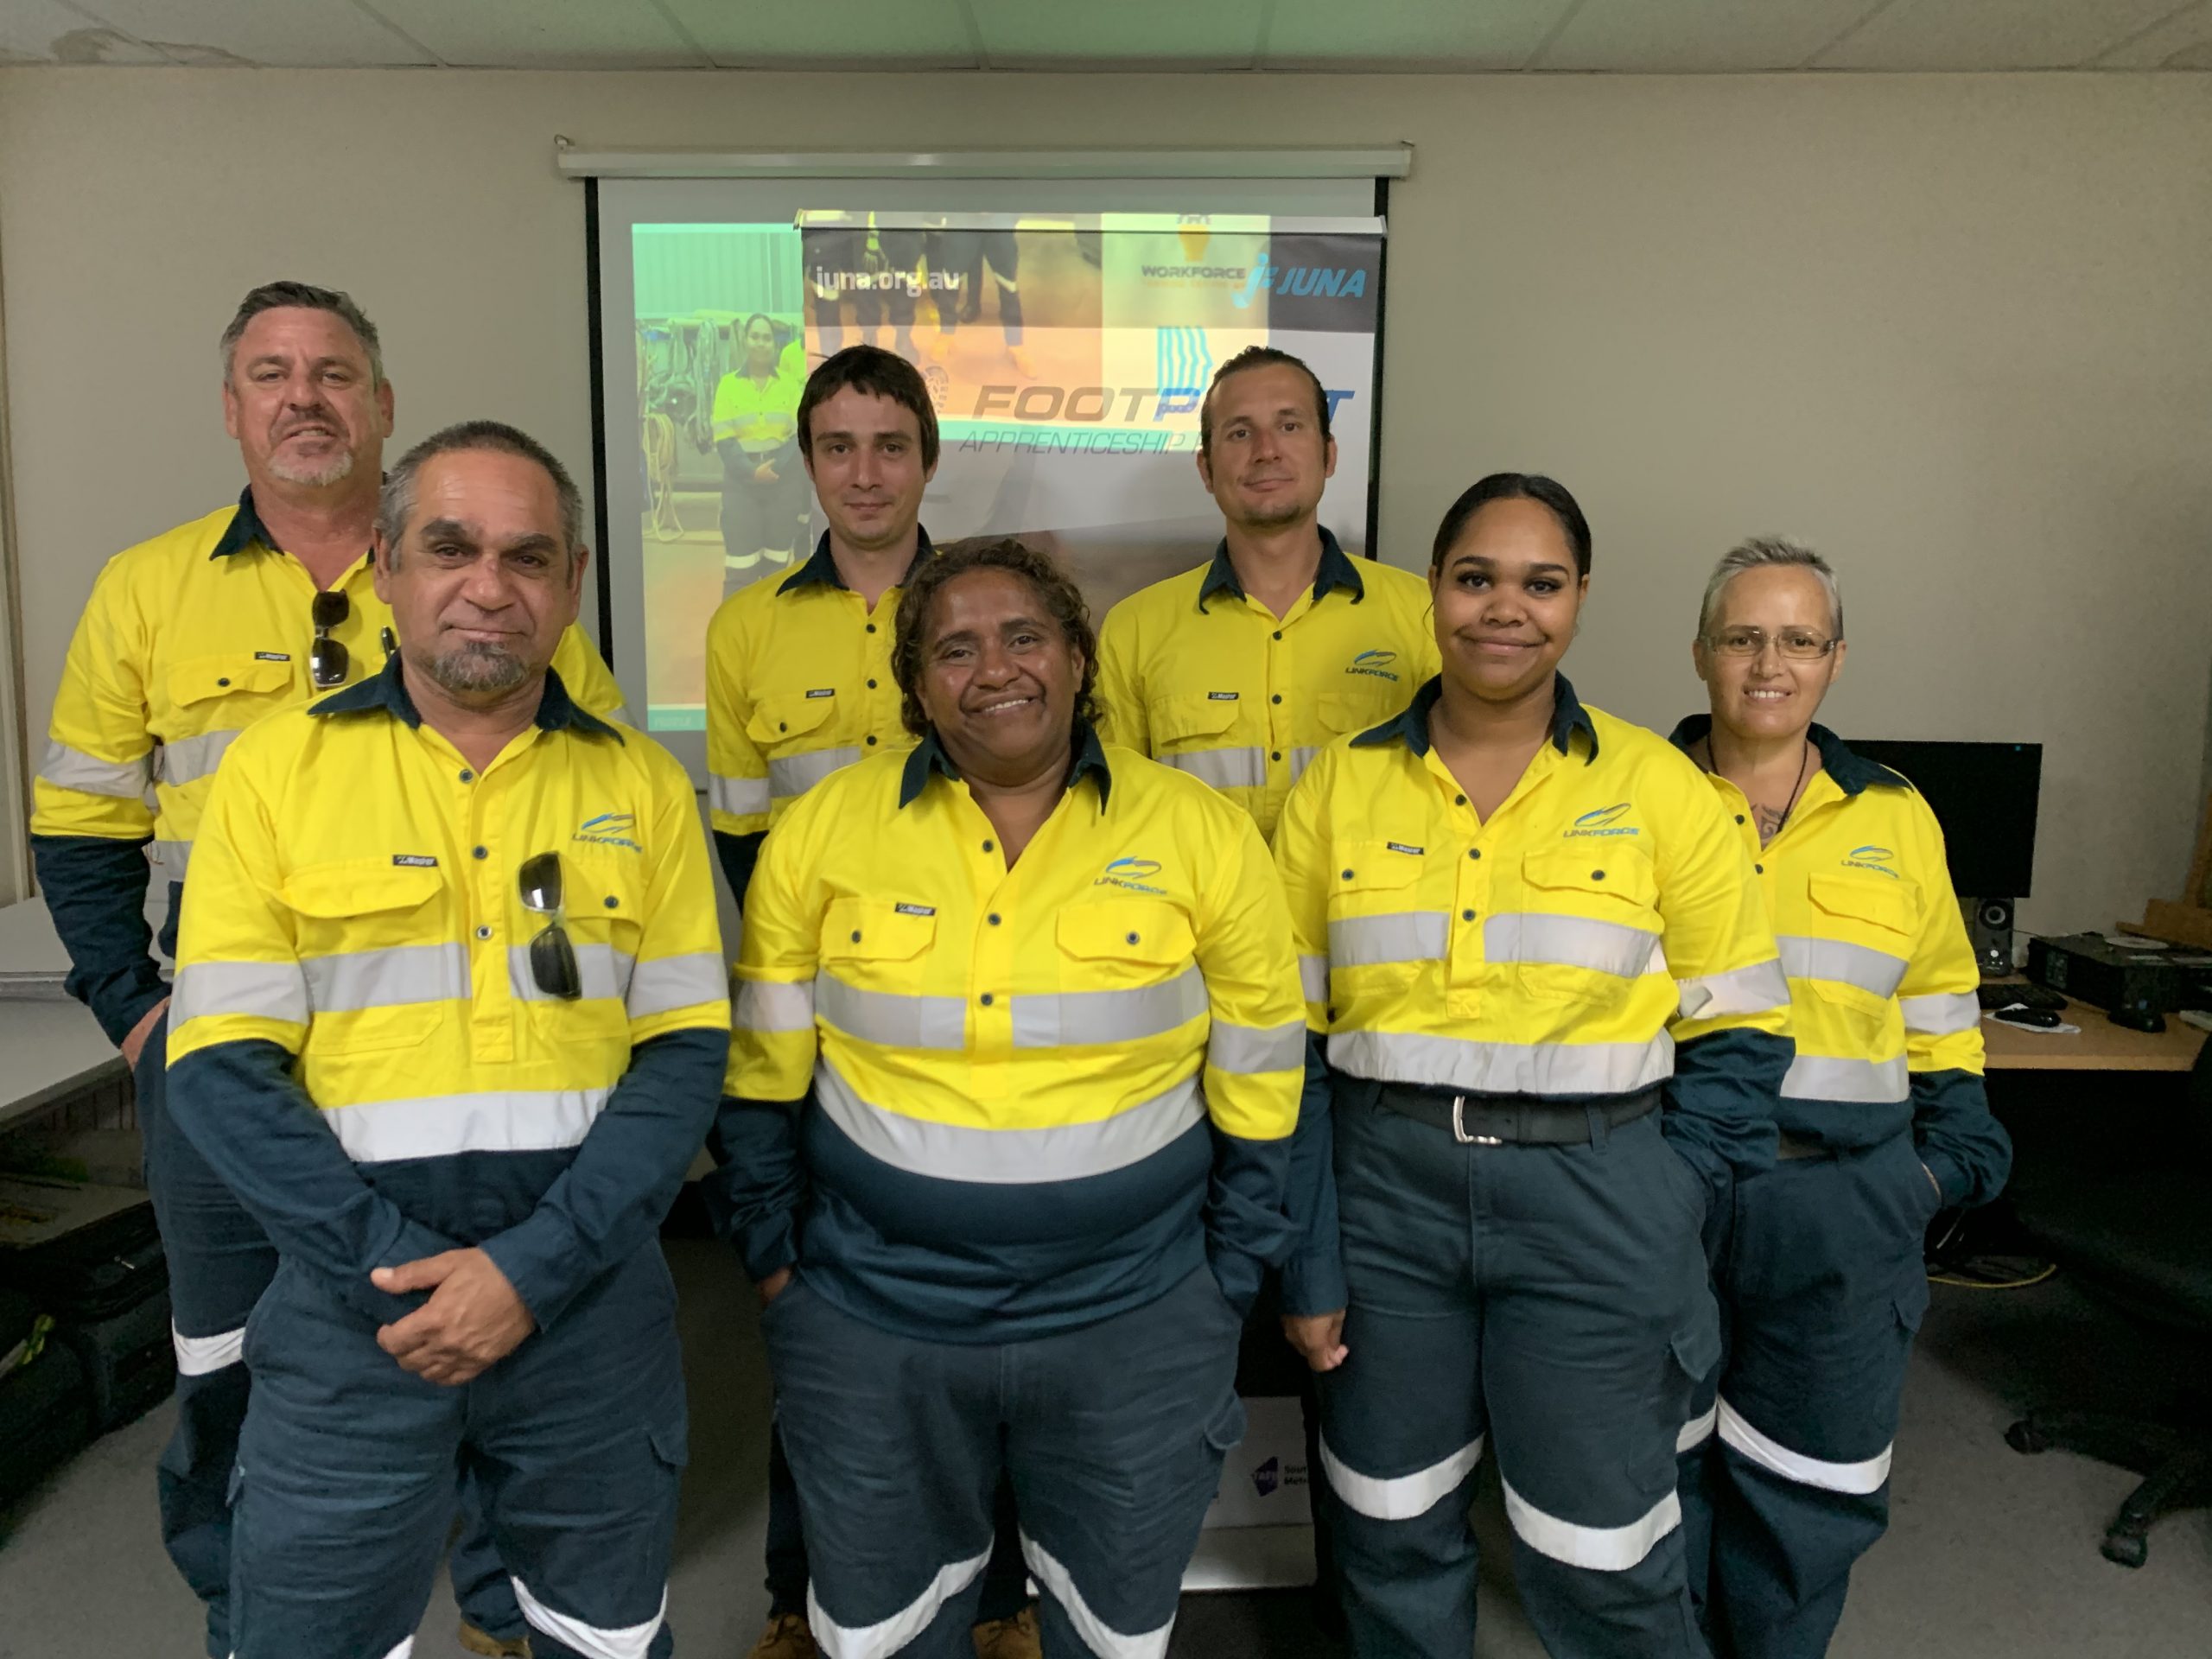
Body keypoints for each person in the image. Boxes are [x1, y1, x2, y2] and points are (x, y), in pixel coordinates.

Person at [28, 280, 623, 1659]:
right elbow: (81, 822)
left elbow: (575, 792)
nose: (307, 397)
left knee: (486, 1328)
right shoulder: (146, 590)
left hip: (455, 1060)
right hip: (229, 1066)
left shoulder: (479, 573)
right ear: (232, 408)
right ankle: (258, 1609)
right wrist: (135, 1013)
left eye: (336, 373)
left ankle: (495, 1606)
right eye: (274, 373)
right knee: (231, 1357)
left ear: (384, 405)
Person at [162, 420, 729, 1659]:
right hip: (349, 1309)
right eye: (451, 547)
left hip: (588, 1309)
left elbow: (685, 1055)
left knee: (607, 1633)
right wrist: (390, 1276)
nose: (490, 586)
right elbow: (217, 1066)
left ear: (574, 583)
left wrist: (532, 1270)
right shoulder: (275, 775)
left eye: (530, 558)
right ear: (384, 566)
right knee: (309, 1633)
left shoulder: (642, 787)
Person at [710, 537, 1308, 1657]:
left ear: (1080, 659)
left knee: (1111, 1621)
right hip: (874, 1317)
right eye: (955, 648)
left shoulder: (1202, 834)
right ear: (916, 687)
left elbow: (1267, 1070)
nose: (996, 669)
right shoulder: (822, 835)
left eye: (1024, 636)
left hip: (1134, 1317)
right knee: (883, 1626)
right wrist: (779, 1268)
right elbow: (762, 1076)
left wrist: (1227, 1276)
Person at [1271, 474, 1795, 1657]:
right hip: (1384, 1202)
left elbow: (1745, 1029)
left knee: (1599, 1548)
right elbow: (1285, 1050)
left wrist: (1672, 1199)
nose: (1505, 609)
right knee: (1388, 1527)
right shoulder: (1339, 788)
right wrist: (1309, 1254)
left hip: (1598, 1205)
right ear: (1433, 596)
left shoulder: (1660, 789)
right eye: (1475, 578)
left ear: (1580, 600)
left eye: (1540, 583)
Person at [705, 349, 1038, 1658]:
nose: (864, 472)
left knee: (999, 1335)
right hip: (828, 1034)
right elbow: (744, 843)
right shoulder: (745, 629)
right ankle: (801, 1593)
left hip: (989, 1024)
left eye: (889, 444)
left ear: (929, 457)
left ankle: (1003, 1598)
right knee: (821, 1326)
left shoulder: (998, 614)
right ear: (807, 462)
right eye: (836, 446)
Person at [1668, 537, 2012, 1658]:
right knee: (1650, 1476)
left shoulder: (1896, 814)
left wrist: (1943, 1164)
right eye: (1745, 637)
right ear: (1702, 652)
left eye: (1799, 640)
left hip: (1839, 1204)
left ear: (1835, 660)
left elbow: (1942, 999)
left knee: (1809, 1483)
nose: (1771, 663)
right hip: (1666, 1192)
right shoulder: (1622, 795)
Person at [1096, 345, 1437, 844]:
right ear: (1206, 470)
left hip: (1354, 916)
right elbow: (1115, 815)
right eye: (1239, 432)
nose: (1266, 450)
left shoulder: (1422, 615)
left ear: (1331, 454)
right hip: (1201, 920)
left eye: (1290, 425)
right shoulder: (1136, 629)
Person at [712, 314, 809, 585]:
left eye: (767, 338)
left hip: (782, 483)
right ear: (745, 341)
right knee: (740, 567)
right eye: (755, 337)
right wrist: (752, 472)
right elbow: (725, 439)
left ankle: (772, 627)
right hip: (741, 487)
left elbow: (798, 434)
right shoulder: (728, 386)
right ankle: (738, 626)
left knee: (777, 568)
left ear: (774, 345)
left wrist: (773, 469)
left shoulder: (789, 386)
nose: (761, 343)